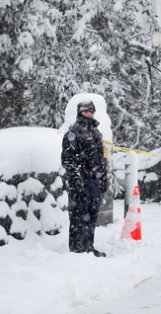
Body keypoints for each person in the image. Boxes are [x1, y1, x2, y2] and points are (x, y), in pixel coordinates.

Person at [61, 100, 109, 257]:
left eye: (92, 111)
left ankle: (89, 247)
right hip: (81, 182)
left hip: (94, 181)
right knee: (79, 216)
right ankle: (77, 250)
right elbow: (68, 159)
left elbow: (101, 158)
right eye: (87, 111)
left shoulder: (95, 132)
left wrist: (103, 178)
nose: (90, 114)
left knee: (92, 215)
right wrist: (76, 179)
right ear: (81, 112)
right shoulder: (73, 132)